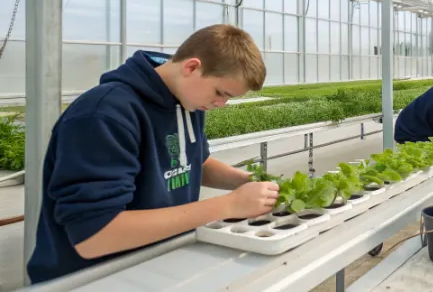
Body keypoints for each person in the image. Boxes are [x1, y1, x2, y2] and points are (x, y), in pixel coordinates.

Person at [27, 25, 281, 284]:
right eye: (220, 93)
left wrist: (244, 181)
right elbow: (95, 235)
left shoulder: (187, 101)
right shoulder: (105, 114)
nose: (220, 104)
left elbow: (193, 162)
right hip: (92, 279)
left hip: (155, 264)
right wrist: (229, 205)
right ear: (192, 67)